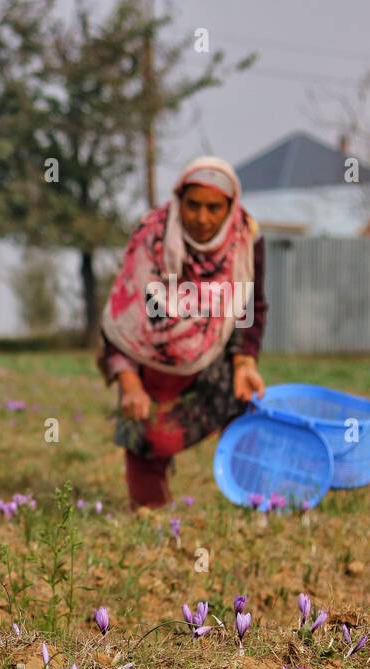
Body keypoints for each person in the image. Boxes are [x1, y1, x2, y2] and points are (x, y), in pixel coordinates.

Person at [97, 155, 268, 509]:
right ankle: (151, 515)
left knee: (246, 412)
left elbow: (251, 304)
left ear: (230, 206)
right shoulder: (152, 236)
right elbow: (124, 316)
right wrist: (129, 381)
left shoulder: (245, 239)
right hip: (151, 358)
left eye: (214, 208)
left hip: (213, 350)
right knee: (144, 436)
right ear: (178, 200)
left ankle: (253, 506)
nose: (202, 218)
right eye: (192, 205)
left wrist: (245, 362)